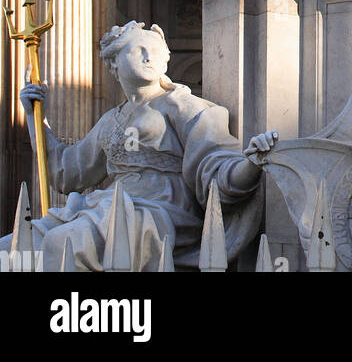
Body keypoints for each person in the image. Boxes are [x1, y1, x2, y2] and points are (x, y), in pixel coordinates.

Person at [0, 20, 277, 271]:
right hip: (106, 208)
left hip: (158, 210)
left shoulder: (183, 106)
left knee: (62, 244)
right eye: (139, 50)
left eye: (155, 51)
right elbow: (66, 172)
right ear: (115, 63)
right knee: (10, 249)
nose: (149, 57)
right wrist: (35, 116)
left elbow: (216, 165)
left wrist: (249, 164)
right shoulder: (110, 120)